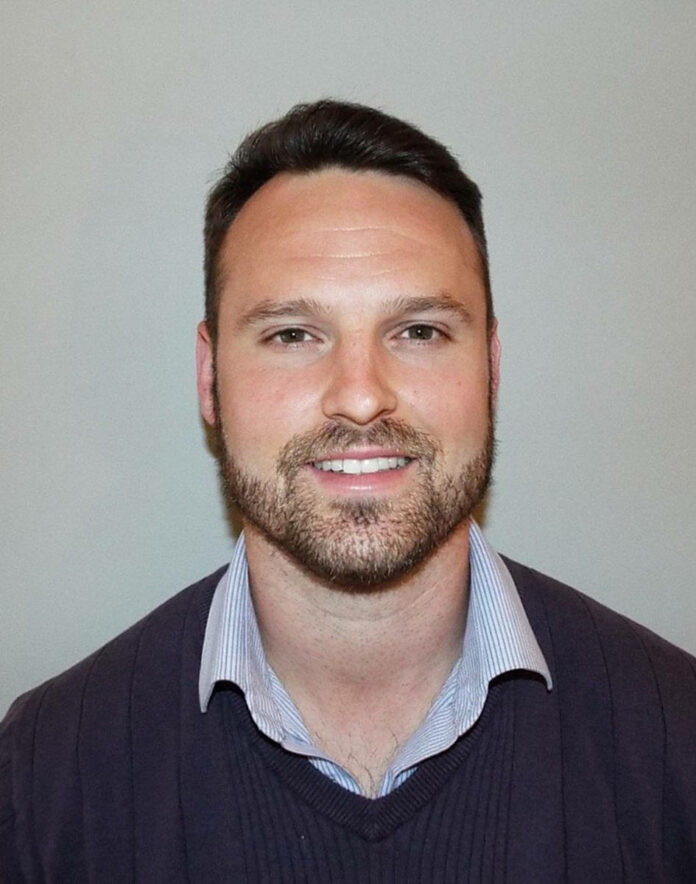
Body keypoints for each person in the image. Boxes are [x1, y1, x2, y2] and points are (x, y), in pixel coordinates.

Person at [1, 100, 694, 883]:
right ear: (209, 377)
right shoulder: (41, 777)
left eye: (420, 331)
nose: (362, 397)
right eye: (293, 335)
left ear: (491, 370)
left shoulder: (679, 740)